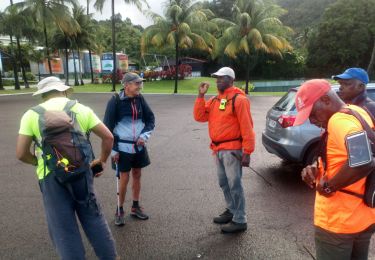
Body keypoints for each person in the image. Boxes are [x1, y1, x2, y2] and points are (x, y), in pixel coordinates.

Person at [16, 76, 117, 259]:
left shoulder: (31, 115)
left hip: (50, 178)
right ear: (63, 90)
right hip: (81, 173)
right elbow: (108, 137)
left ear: (43, 95)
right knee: (94, 218)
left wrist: (39, 162)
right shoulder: (80, 109)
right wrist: (101, 160)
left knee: (63, 227)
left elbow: (21, 153)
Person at [294, 79, 375, 260]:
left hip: (338, 223)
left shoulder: (338, 122)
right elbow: (348, 155)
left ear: (326, 100)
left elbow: (363, 160)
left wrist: (329, 186)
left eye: (313, 113)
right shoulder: (356, 111)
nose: (311, 120)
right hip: (363, 217)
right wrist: (317, 165)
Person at [193, 67, 255, 233]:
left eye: (222, 78)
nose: (218, 80)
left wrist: (247, 152)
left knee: (235, 184)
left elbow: (247, 127)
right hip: (217, 149)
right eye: (217, 78)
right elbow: (199, 116)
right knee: (224, 182)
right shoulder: (215, 100)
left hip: (233, 150)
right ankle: (232, 210)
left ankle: (240, 219)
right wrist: (200, 96)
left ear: (231, 80)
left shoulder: (239, 100)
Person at [103, 72, 155, 226]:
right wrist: (113, 150)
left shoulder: (140, 99)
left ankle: (135, 206)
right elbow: (107, 128)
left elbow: (150, 119)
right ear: (126, 85)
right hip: (121, 147)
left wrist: (144, 136)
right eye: (137, 83)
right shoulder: (115, 101)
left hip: (138, 146)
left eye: (140, 83)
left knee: (137, 174)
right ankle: (119, 209)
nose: (140, 86)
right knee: (124, 178)